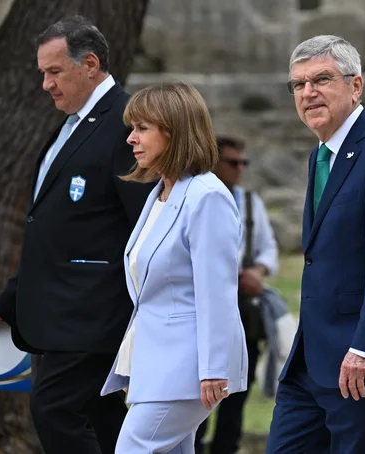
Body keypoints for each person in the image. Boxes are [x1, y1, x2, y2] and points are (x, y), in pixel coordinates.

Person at [0, 15, 153, 454]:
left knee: (54, 410)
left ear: (89, 64)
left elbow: (147, 226)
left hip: (93, 313)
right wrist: (8, 302)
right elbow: (54, 232)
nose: (45, 84)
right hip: (59, 313)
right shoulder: (70, 125)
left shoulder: (126, 124)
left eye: (54, 72)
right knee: (104, 422)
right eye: (43, 73)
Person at [265, 35, 365, 454]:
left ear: (356, 87)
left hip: (361, 361)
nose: (307, 93)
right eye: (297, 85)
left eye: (321, 79)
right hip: (311, 359)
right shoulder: (320, 154)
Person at [100, 82, 249, 454]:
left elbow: (217, 291)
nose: (131, 138)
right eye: (131, 128)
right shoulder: (160, 195)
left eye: (142, 128)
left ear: (175, 131)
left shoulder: (207, 196)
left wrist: (214, 368)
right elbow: (151, 296)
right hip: (160, 367)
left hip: (188, 370)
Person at [194, 136, 278, 454]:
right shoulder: (196, 197)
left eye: (244, 163)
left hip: (242, 311)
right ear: (213, 162)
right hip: (205, 311)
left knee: (237, 394)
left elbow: (267, 249)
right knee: (198, 397)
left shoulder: (249, 202)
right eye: (233, 162)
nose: (240, 169)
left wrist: (258, 271)